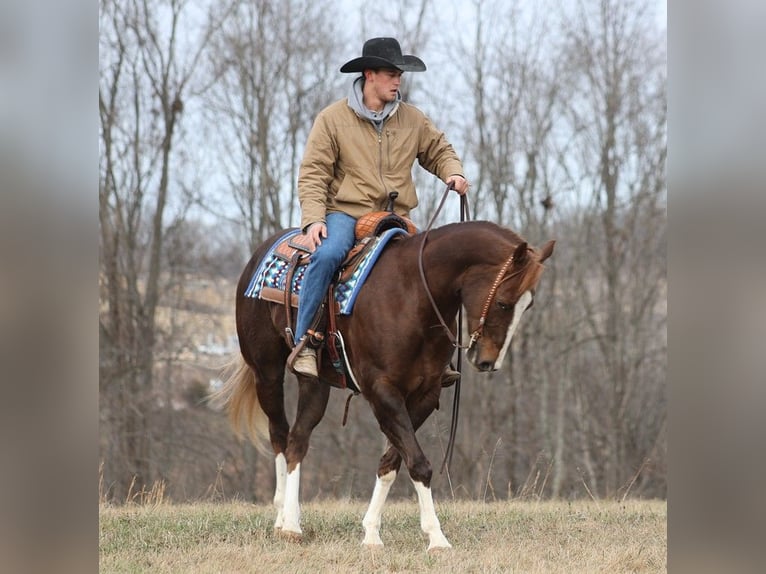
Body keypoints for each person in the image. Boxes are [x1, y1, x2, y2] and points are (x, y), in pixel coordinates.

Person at [288, 37, 469, 380]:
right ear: (369, 74)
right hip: (346, 212)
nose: (397, 80)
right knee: (327, 256)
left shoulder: (412, 119)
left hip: (395, 217)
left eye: (399, 74)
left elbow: (438, 150)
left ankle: (436, 356)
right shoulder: (332, 119)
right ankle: (305, 343)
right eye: (390, 73)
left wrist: (453, 172)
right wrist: (313, 221)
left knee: (433, 265)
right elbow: (313, 174)